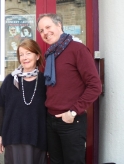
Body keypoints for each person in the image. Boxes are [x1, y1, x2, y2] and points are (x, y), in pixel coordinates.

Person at [37, 13, 102, 164]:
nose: (45, 32)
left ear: (59, 25)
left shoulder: (77, 49)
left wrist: (73, 112)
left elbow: (95, 86)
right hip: (51, 120)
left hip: (71, 121)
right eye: (41, 30)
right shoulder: (50, 54)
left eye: (48, 27)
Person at [0, 39, 47, 164]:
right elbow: (1, 109)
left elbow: (49, 112)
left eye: (28, 53)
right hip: (13, 138)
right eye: (21, 54)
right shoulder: (11, 80)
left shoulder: (45, 81)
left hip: (37, 139)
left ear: (37, 56)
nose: (24, 57)